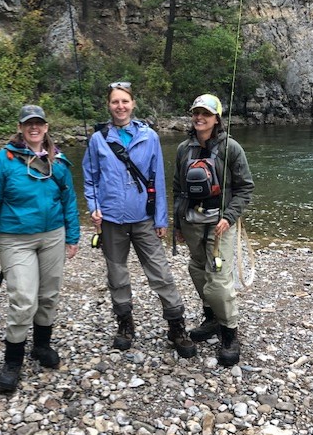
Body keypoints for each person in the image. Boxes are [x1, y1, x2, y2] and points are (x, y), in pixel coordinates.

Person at [0, 104, 80, 392]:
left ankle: (41, 347)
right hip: (15, 239)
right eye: (28, 123)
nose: (34, 128)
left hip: (53, 235)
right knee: (23, 299)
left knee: (49, 294)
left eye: (39, 123)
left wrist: (73, 237)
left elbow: (69, 201)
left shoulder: (59, 161)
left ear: (46, 127)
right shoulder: (4, 159)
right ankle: (12, 361)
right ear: (20, 127)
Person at [82, 81, 196, 358]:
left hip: (144, 218)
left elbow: (158, 178)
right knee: (117, 274)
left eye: (124, 101)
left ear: (133, 104)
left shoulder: (149, 136)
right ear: (108, 106)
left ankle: (176, 326)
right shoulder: (98, 139)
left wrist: (161, 219)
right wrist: (93, 206)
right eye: (114, 102)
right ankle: (125, 324)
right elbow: (90, 178)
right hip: (110, 220)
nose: (120, 106)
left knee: (161, 273)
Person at [173, 94, 254, 366]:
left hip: (221, 226)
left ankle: (230, 332)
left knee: (218, 281)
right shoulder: (184, 149)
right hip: (192, 224)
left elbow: (245, 188)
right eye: (196, 113)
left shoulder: (232, 148)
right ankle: (211, 320)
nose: (199, 118)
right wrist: (178, 225)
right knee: (197, 271)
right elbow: (178, 189)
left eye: (205, 114)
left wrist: (229, 217)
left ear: (216, 119)